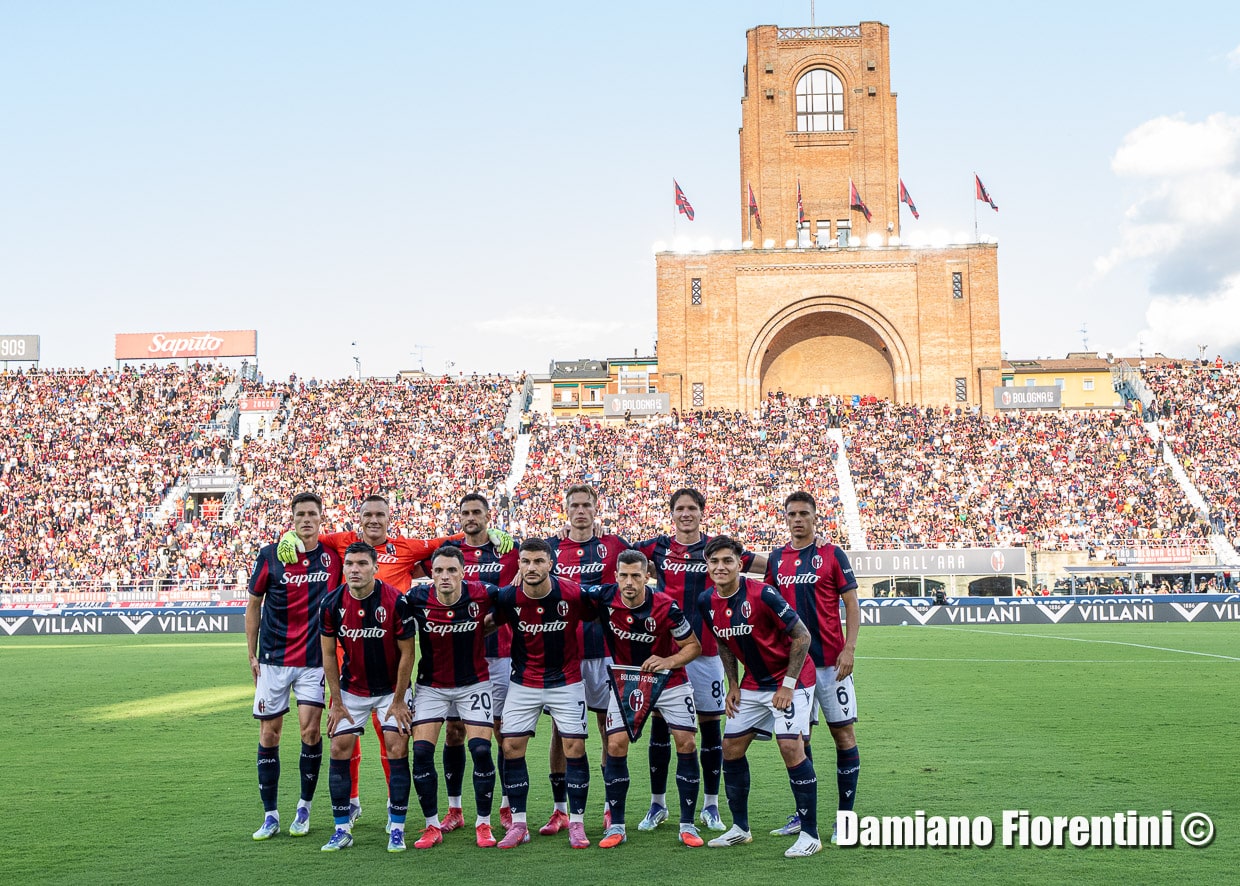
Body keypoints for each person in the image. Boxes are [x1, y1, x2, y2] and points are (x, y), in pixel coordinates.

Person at [278, 493, 511, 829]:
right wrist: (289, 535)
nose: (374, 521)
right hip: (350, 660)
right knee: (345, 738)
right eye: (368, 515)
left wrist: (490, 533)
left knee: (393, 738)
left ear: (390, 519)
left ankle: (394, 806)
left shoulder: (406, 548)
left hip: (391, 662)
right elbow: (308, 531)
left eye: (380, 515)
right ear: (359, 519)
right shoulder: (342, 543)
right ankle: (353, 802)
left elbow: (445, 542)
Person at [632, 488, 766, 832]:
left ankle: (710, 805)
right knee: (660, 728)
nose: (686, 514)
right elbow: (618, 553)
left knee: (709, 729)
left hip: (707, 653)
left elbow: (768, 564)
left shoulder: (716, 551)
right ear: (672, 513)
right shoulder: (656, 548)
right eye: (680, 508)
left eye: (692, 508)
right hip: (667, 653)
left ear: (702, 513)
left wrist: (808, 545)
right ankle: (657, 805)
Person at [697, 536, 822, 858]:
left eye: (728, 561)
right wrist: (733, 684)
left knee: (790, 746)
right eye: (715, 562)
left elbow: (802, 636)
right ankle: (740, 828)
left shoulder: (763, 593)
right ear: (707, 566)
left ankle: (810, 834)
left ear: (740, 564)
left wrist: (788, 685)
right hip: (753, 683)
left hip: (792, 678)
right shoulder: (706, 600)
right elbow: (724, 642)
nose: (721, 567)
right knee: (731, 748)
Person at [584, 550, 704, 848]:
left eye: (636, 576)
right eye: (623, 575)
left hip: (669, 680)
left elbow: (693, 646)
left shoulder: (666, 607)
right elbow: (565, 588)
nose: (629, 582)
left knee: (687, 743)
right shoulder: (603, 598)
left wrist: (668, 660)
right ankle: (617, 826)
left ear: (646, 577)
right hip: (627, 680)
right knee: (614, 744)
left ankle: (687, 825)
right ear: (615, 576)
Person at [486, 538, 598, 850]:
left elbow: (597, 614)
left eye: (538, 561)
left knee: (574, 746)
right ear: (518, 565)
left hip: (567, 680)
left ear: (550, 564)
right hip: (524, 682)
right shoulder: (508, 597)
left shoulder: (573, 593)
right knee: (510, 747)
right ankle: (518, 823)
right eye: (526, 562)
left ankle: (575, 822)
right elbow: (486, 625)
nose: (532, 567)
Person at [764, 491, 860, 842]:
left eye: (804, 513)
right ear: (785, 519)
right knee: (798, 740)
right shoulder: (776, 559)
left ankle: (846, 818)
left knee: (843, 734)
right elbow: (769, 609)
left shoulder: (832, 555)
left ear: (816, 517)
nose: (798, 519)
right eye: (792, 514)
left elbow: (851, 604)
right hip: (794, 669)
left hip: (832, 664)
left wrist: (849, 648)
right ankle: (804, 816)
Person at [422, 493, 520, 833]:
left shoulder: (508, 549)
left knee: (502, 732)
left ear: (488, 515)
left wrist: (492, 623)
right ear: (459, 517)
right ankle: (455, 809)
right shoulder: (449, 550)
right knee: (453, 733)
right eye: (465, 513)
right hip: (457, 658)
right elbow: (411, 550)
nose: (471, 517)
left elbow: (517, 590)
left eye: (477, 512)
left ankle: (506, 807)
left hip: (501, 653)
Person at [247, 492, 341, 840]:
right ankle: (270, 814)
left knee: (310, 732)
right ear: (292, 519)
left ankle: (304, 807)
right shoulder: (270, 555)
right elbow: (254, 605)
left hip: (314, 660)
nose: (306, 519)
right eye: (300, 514)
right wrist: (252, 653)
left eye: (311, 514)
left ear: (320, 519)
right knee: (269, 733)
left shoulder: (333, 559)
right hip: (273, 659)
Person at [542, 484, 631, 835]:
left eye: (586, 505)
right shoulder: (551, 547)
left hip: (608, 649)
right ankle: (560, 809)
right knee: (560, 730)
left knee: (609, 727)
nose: (580, 510)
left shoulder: (614, 545)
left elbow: (641, 570)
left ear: (597, 508)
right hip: (564, 652)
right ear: (566, 510)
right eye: (574, 505)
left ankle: (610, 807)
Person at [318, 542, 417, 852]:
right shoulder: (332, 603)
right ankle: (341, 827)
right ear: (343, 567)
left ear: (375, 567)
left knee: (397, 745)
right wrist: (336, 701)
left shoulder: (396, 602)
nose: (355, 569)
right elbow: (328, 656)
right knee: (338, 747)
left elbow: (408, 654)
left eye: (362, 563)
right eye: (349, 564)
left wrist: (399, 700)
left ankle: (397, 826)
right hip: (352, 690)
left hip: (391, 690)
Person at [401, 545, 501, 849]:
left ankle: (483, 824)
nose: (445, 576)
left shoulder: (483, 593)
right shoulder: (416, 598)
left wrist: (479, 630)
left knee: (481, 750)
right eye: (439, 570)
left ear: (463, 572)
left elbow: (511, 604)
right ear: (431, 573)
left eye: (452, 570)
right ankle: (434, 824)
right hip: (432, 685)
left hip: (474, 683)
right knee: (420, 753)